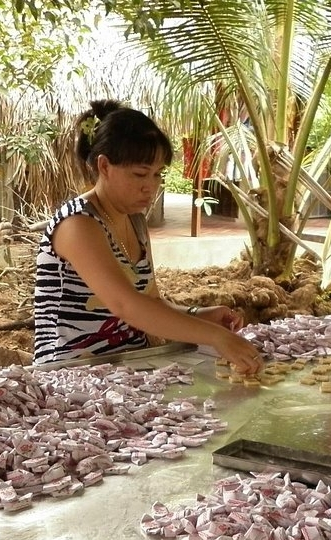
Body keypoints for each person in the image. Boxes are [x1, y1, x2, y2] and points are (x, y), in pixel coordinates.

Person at [34, 99, 262, 374]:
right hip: (70, 376)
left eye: (157, 175)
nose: (150, 187)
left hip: (127, 370)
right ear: (104, 166)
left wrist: (200, 317)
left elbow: (151, 303)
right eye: (140, 174)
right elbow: (125, 305)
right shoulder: (77, 224)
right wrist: (215, 337)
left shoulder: (135, 222)